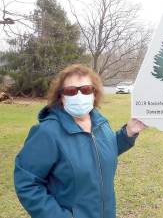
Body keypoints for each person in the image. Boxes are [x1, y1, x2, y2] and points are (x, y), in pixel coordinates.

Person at [14, 64, 146, 218]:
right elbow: (27, 183)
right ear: (61, 97)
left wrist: (128, 133)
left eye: (85, 89)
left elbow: (102, 149)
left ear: (94, 93)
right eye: (70, 91)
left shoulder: (100, 123)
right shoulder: (47, 132)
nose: (79, 95)